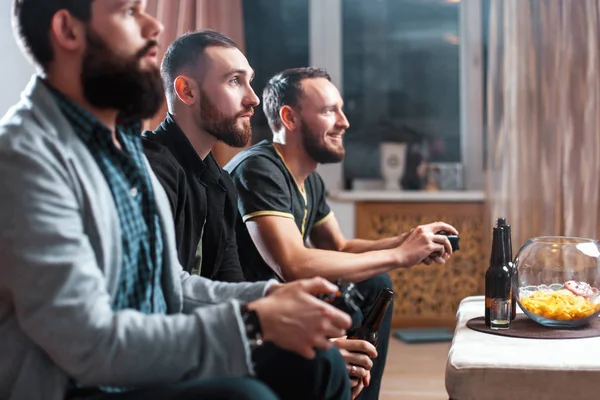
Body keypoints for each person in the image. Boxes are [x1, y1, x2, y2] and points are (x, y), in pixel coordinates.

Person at [0, 2, 352, 400]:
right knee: (244, 397)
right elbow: (88, 343)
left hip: (142, 364)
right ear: (68, 30)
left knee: (319, 362)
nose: (155, 24)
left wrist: (269, 297)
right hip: (82, 386)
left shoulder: (124, 144)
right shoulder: (24, 160)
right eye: (130, 12)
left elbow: (171, 286)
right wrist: (253, 325)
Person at [142, 30, 376, 400]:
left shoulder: (220, 182)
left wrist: (306, 327)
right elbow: (163, 300)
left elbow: (233, 285)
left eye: (249, 81)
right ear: (186, 91)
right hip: (166, 347)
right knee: (322, 361)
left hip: (212, 331)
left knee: (332, 349)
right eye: (235, 81)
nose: (252, 99)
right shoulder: (151, 169)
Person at [224, 67, 459, 399]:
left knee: (375, 284)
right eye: (328, 111)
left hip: (287, 297)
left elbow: (339, 245)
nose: (344, 122)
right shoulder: (260, 169)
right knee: (371, 283)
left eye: (341, 109)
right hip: (253, 314)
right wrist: (399, 256)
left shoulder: (310, 180)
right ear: (289, 118)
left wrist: (410, 240)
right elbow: (292, 263)